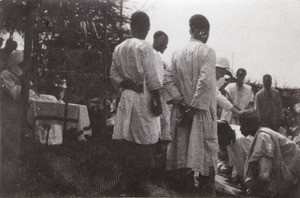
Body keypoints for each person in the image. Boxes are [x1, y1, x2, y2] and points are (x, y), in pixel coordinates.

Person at [110, 11, 162, 195]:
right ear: (146, 27)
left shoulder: (119, 48)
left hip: (127, 96)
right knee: (145, 140)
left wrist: (126, 83)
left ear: (131, 26)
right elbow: (152, 75)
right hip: (143, 97)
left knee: (128, 138)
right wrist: (156, 99)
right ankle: (138, 184)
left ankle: (128, 182)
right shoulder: (145, 47)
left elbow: (113, 75)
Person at [164, 14, 217, 194]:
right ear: (202, 32)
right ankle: (204, 193)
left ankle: (184, 192)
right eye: (206, 32)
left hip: (182, 111)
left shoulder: (177, 53)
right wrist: (192, 108)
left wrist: (182, 102)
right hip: (199, 113)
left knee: (183, 152)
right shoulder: (207, 51)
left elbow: (167, 80)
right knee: (206, 154)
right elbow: (205, 82)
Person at [240, 111, 300, 197]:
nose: (240, 129)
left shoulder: (263, 136)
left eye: (242, 125)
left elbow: (265, 170)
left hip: (293, 166)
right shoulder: (261, 133)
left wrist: (258, 187)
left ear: (249, 124)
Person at [152, 31, 171, 168]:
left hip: (161, 100)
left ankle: (159, 164)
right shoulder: (152, 56)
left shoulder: (158, 58)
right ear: (160, 40)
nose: (166, 47)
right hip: (155, 99)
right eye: (165, 43)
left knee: (164, 131)